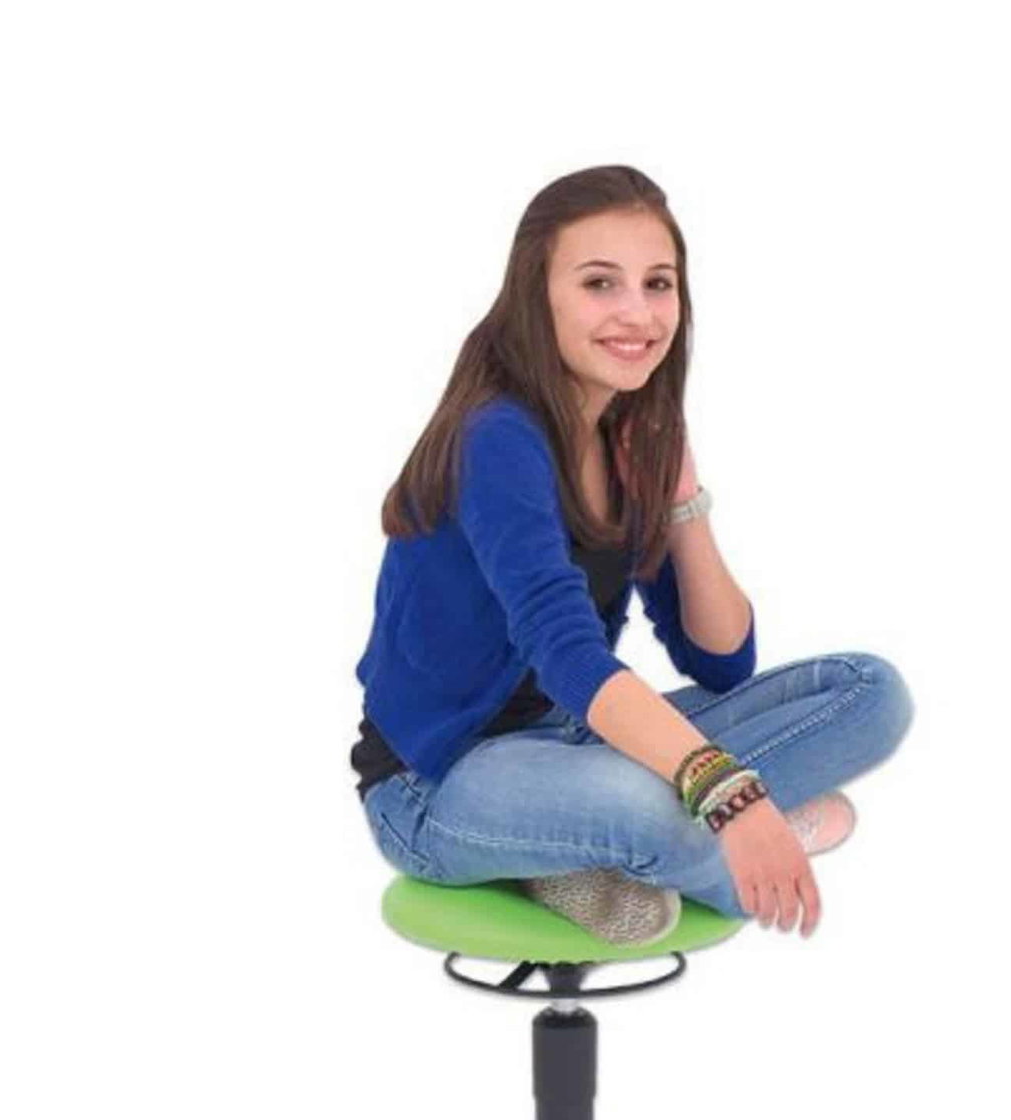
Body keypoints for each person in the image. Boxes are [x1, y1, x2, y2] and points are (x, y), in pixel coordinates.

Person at [350, 164, 914, 942]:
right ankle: (689, 838)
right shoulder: (498, 437)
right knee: (652, 806)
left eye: (658, 284)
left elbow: (721, 662)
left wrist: (681, 498)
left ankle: (591, 850)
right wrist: (732, 796)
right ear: (537, 294)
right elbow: (569, 657)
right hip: (436, 783)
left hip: (576, 738)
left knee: (871, 692)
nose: (638, 313)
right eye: (599, 284)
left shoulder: (622, 433)